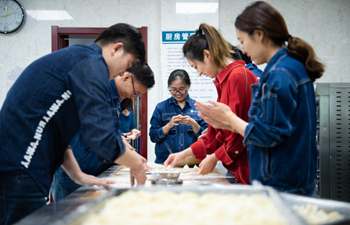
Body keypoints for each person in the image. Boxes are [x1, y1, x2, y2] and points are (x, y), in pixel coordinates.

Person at [0, 23, 149, 225]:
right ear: (116, 48)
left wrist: (79, 175)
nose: (122, 72)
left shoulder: (80, 61)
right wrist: (135, 163)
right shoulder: (91, 64)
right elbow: (101, 135)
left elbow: (59, 131)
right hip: (20, 168)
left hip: (24, 168)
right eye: (128, 64)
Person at [196, 1, 324, 195]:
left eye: (242, 40)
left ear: (259, 34)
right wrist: (226, 122)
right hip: (292, 179)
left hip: (283, 184)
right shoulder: (289, 67)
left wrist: (229, 118)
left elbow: (266, 135)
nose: (242, 48)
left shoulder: (279, 74)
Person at [164, 24, 257, 184]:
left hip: (249, 171)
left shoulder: (239, 76)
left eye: (196, 66)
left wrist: (214, 157)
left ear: (207, 55)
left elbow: (240, 133)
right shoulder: (224, 81)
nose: (199, 72)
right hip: (239, 171)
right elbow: (216, 135)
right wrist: (181, 156)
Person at [51, 64, 154, 201]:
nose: (132, 96)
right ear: (127, 77)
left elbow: (112, 133)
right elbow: (101, 138)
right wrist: (133, 162)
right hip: (73, 173)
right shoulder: (96, 92)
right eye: (135, 92)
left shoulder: (116, 98)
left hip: (96, 172)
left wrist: (131, 152)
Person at [150, 69, 207, 164]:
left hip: (192, 164)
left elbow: (207, 138)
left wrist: (194, 124)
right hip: (165, 163)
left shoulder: (199, 108)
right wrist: (168, 125)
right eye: (173, 89)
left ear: (188, 86)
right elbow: (153, 136)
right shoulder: (161, 107)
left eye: (181, 89)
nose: (177, 93)